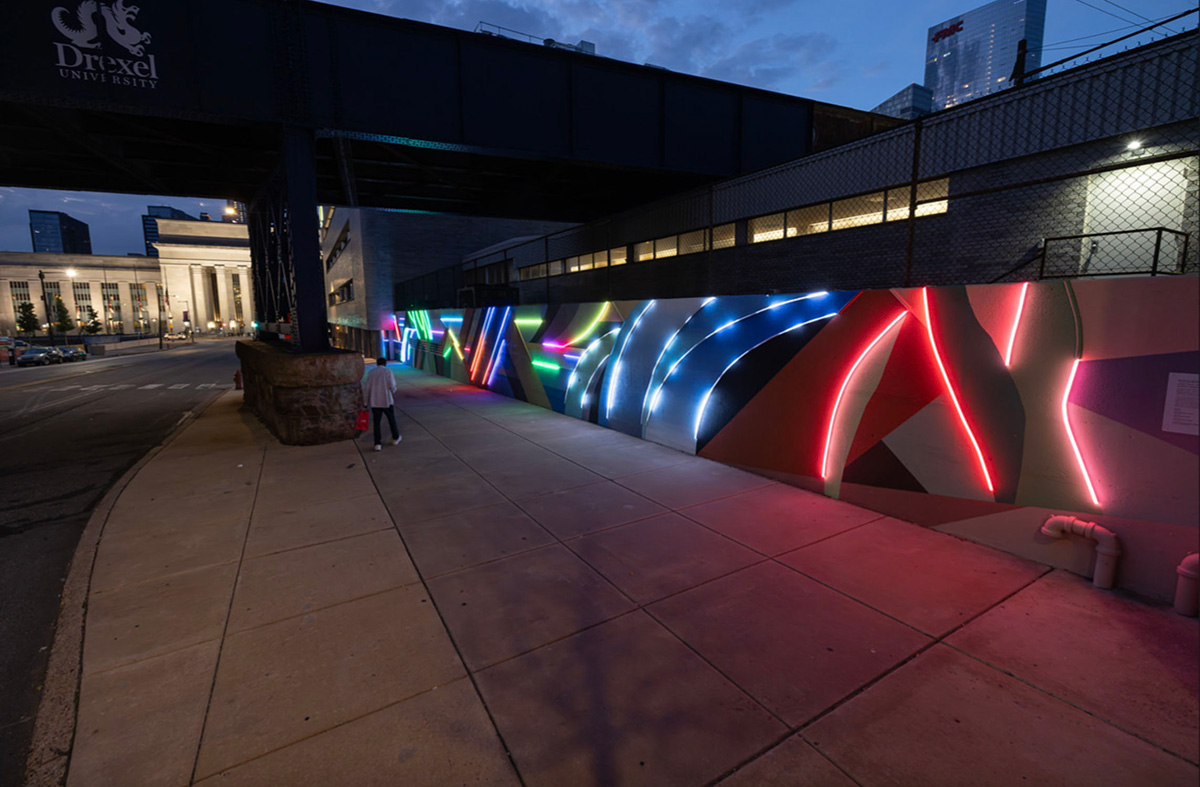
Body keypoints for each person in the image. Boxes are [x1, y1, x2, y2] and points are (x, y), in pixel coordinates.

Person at [361, 357, 402, 451]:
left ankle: (377, 443)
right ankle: (395, 438)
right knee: (391, 420)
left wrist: (365, 402)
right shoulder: (387, 372)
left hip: (375, 402)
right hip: (386, 401)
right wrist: (393, 390)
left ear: (377, 363)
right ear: (385, 363)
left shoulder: (371, 373)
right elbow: (392, 386)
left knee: (376, 423)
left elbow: (367, 388)